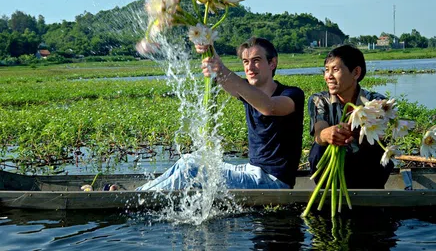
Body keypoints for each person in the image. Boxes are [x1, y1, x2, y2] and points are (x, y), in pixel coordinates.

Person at [137, 37, 304, 191]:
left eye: (256, 61)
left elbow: (269, 107)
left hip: (273, 181)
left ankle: (138, 200)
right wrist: (209, 47)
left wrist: (222, 69)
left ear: (272, 63)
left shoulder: (292, 94)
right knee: (189, 161)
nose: (249, 67)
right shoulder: (249, 93)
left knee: (194, 169)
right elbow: (226, 79)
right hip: (251, 171)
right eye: (246, 62)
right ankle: (139, 193)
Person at [308, 44, 393, 189]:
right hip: (332, 173)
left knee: (380, 150)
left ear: (356, 73)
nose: (328, 76)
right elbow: (319, 131)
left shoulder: (376, 102)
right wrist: (326, 135)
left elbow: (382, 136)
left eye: (335, 70)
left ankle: (370, 194)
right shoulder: (319, 100)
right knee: (318, 147)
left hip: (365, 171)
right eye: (326, 70)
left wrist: (359, 135)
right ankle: (327, 191)